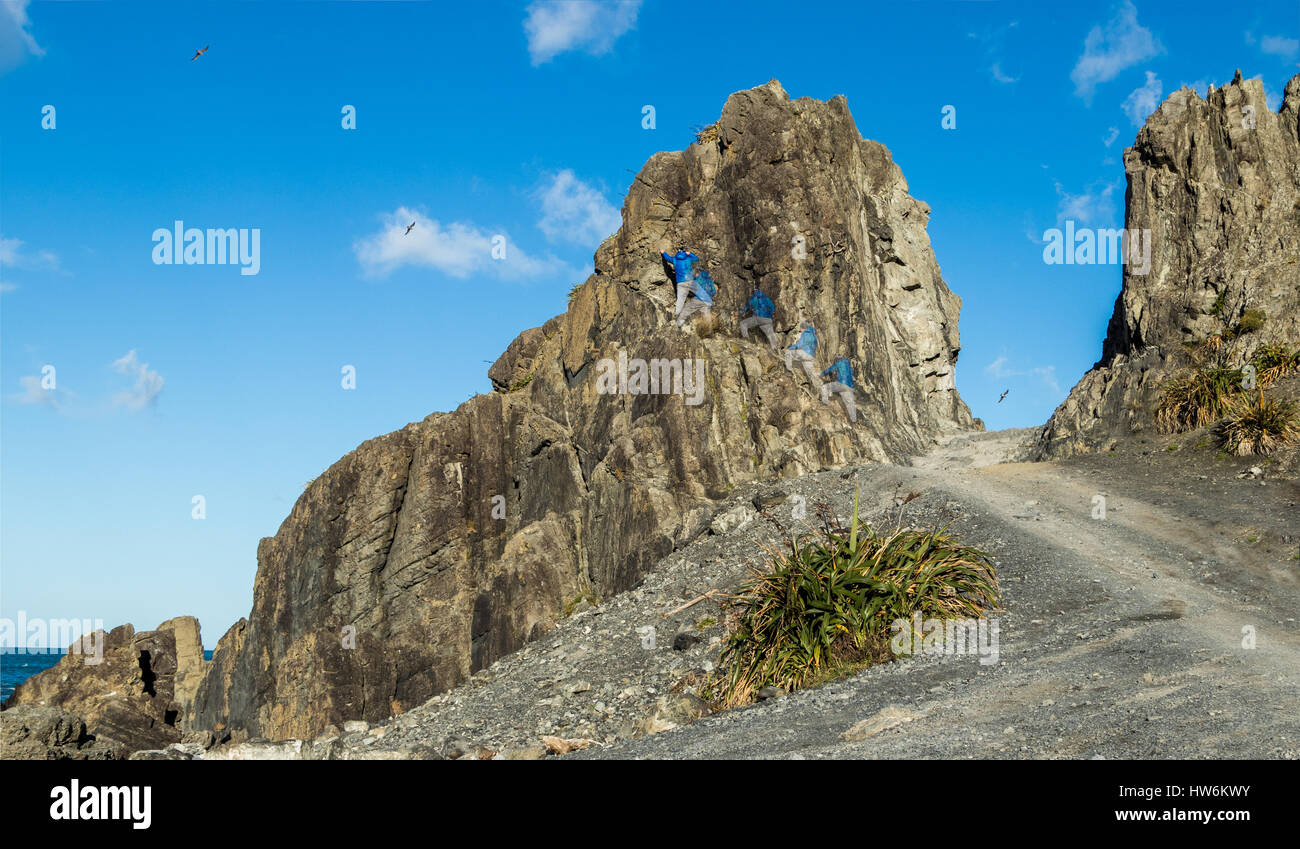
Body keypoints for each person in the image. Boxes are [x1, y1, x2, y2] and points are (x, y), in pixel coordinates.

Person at [661, 246, 699, 315]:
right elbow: (696, 259)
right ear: (684, 252)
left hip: (680, 282)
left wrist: (663, 252)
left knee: (680, 300)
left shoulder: (675, 259)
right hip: (690, 281)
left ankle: (677, 313)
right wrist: (689, 253)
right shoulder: (688, 259)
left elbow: (667, 258)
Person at [820, 357, 857, 422]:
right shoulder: (849, 367)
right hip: (849, 387)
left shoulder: (840, 363)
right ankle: (854, 420)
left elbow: (831, 369)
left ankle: (824, 402)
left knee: (825, 387)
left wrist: (821, 374)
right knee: (850, 403)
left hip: (841, 384)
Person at [784, 322, 820, 386]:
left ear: (803, 328)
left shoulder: (805, 333)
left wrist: (789, 348)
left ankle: (788, 370)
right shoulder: (814, 335)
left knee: (788, 353)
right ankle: (818, 386)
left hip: (804, 353)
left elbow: (799, 344)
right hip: (811, 355)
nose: (800, 330)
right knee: (810, 372)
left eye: (801, 328)